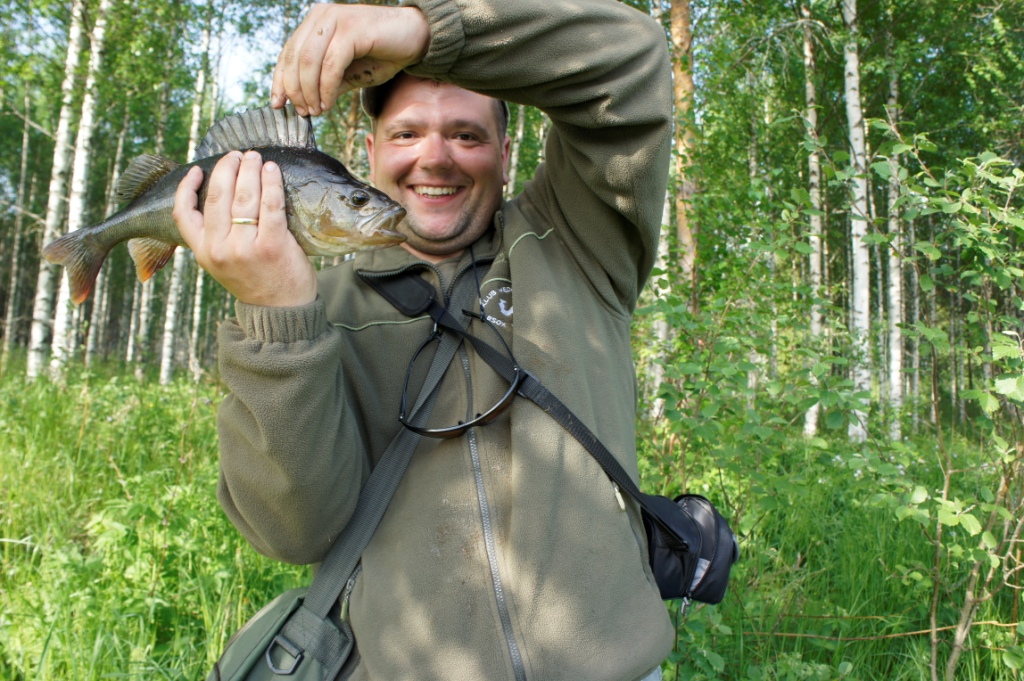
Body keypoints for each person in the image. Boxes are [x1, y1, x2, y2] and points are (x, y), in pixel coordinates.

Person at [173, 0, 675, 678]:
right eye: (407, 133)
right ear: (369, 154)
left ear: (505, 155)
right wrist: (277, 314)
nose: (434, 158)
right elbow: (293, 531)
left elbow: (634, 57)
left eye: (466, 134)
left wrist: (424, 32)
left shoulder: (579, 240)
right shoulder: (319, 307)